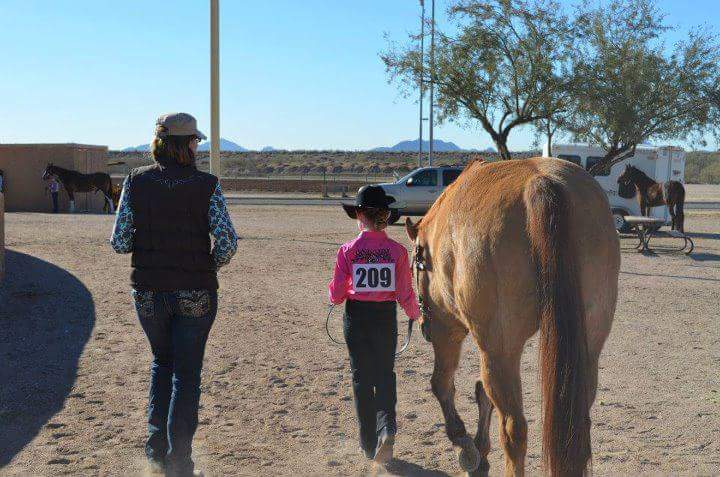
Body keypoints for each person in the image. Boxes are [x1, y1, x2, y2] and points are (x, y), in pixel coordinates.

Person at [110, 112, 238, 477]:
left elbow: (119, 242)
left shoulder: (135, 182)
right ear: (187, 144)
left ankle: (156, 453)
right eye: (196, 140)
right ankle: (180, 462)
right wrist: (207, 265)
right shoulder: (207, 185)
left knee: (161, 363)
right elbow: (227, 242)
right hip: (196, 292)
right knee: (187, 374)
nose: (198, 145)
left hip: (148, 292)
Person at [328, 185, 420, 464]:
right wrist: (415, 314)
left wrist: (336, 292)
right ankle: (387, 427)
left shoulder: (348, 250)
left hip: (357, 318)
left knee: (361, 379)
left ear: (359, 214)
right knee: (385, 375)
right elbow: (406, 293)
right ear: (384, 216)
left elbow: (337, 294)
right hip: (384, 317)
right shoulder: (398, 252)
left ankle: (368, 443)